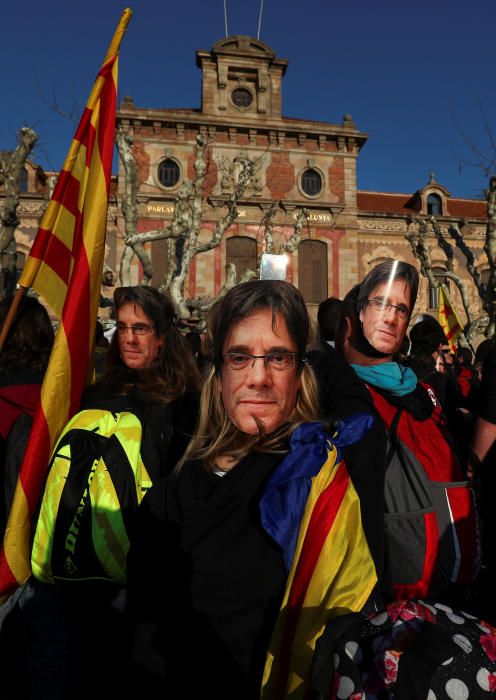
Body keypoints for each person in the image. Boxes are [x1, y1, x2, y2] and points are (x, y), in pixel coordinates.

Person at [128, 280, 384, 699]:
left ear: (302, 374)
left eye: (279, 358)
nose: (259, 378)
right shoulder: (168, 492)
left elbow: (357, 407)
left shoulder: (314, 474)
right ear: (218, 373)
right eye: (240, 357)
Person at [23, 285, 201, 700]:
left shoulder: (183, 404)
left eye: (141, 328)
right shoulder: (97, 392)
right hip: (72, 569)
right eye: (122, 327)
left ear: (162, 336)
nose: (129, 338)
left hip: (137, 575)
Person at [335, 259, 479, 603]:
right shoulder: (423, 386)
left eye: (400, 308)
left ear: (346, 329)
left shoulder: (344, 398)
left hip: (393, 584)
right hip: (447, 563)